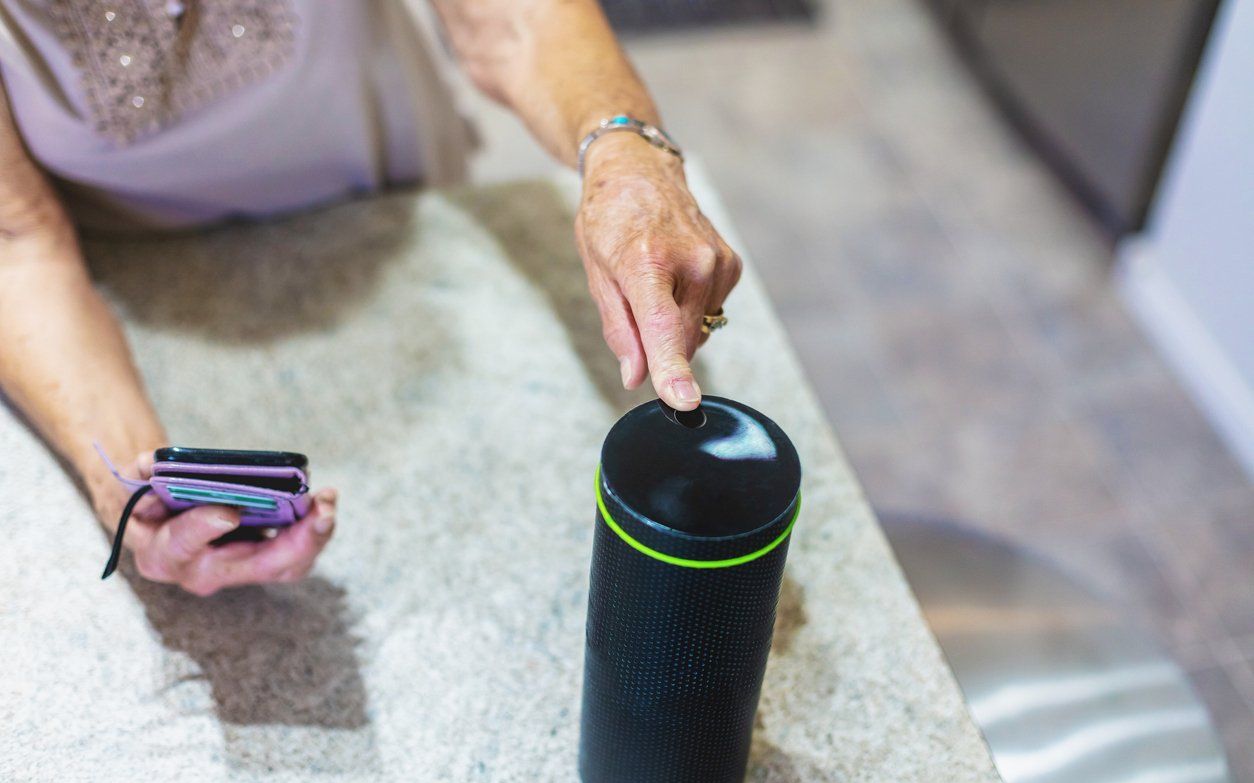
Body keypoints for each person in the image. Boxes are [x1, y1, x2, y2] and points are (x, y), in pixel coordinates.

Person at [0, 0, 741, 596]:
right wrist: (128, 483)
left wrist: (622, 149)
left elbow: (511, 19)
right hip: (129, 292)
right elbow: (17, 239)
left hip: (394, 209)